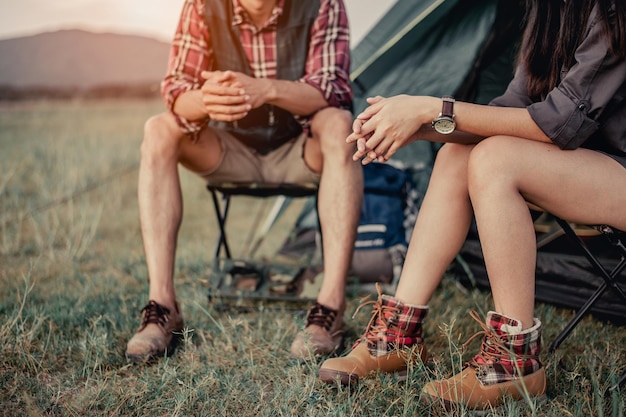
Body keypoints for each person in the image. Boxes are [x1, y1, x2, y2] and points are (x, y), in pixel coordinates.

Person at [318, 0, 626, 412]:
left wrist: (434, 109)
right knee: (457, 158)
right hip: (591, 167)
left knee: (495, 159)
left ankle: (515, 359)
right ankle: (398, 334)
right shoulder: (551, 9)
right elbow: (511, 109)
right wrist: (419, 127)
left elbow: (562, 121)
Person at [125, 0, 363, 363]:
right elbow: (176, 91)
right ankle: (162, 306)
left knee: (339, 123)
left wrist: (265, 89)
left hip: (300, 150)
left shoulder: (322, 3)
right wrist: (206, 99)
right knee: (157, 128)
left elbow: (332, 89)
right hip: (229, 150)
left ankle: (330, 308)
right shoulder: (203, 6)